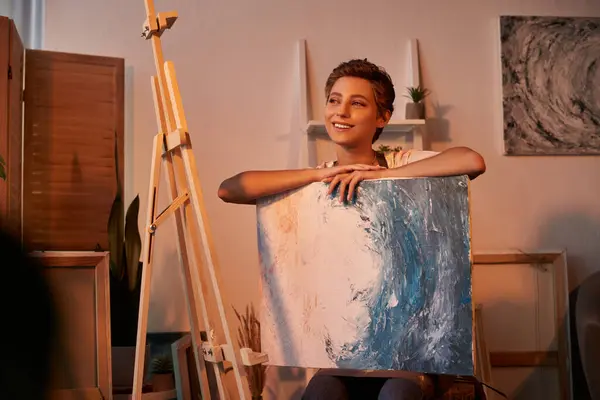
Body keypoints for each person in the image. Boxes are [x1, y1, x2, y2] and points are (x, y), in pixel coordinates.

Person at [218, 59, 486, 399]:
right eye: (334, 100)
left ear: (382, 117)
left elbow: (472, 161)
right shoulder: (320, 181)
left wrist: (381, 177)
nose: (340, 112)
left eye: (357, 103)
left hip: (411, 353)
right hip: (345, 355)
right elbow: (230, 188)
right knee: (321, 392)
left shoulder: (404, 163)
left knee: (397, 394)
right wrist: (317, 176)